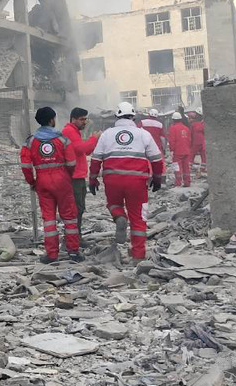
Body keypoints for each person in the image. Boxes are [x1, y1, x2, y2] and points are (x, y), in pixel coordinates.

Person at [88, 102, 164, 261]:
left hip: (112, 180)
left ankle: (119, 216)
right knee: (138, 218)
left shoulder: (107, 134)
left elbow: (96, 159)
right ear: (133, 117)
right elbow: (157, 159)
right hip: (137, 182)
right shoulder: (143, 134)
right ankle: (138, 256)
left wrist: (93, 179)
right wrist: (157, 178)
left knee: (114, 204)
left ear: (116, 117)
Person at [21, 107, 83, 264]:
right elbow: (71, 162)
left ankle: (51, 254)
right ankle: (73, 252)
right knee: (69, 217)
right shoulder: (62, 139)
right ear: (51, 120)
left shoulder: (30, 141)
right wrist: (67, 176)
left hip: (42, 182)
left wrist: (32, 182)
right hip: (62, 180)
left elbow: (26, 166)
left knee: (48, 219)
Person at [60, 107, 99, 235]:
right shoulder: (69, 131)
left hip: (78, 176)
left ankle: (75, 236)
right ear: (73, 119)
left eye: (85, 119)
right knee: (75, 209)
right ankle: (73, 238)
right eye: (82, 119)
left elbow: (85, 151)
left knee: (79, 208)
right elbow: (81, 148)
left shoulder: (75, 132)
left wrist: (92, 142)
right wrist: (94, 138)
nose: (84, 122)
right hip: (73, 177)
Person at [168, 112, 193, 187]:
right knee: (186, 167)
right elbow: (190, 140)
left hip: (177, 151)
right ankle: (187, 182)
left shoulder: (173, 128)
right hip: (186, 151)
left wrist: (171, 150)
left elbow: (172, 140)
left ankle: (178, 183)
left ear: (173, 119)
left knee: (177, 167)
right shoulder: (186, 128)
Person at [189, 111, 207, 177]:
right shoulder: (202, 124)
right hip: (202, 142)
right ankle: (203, 168)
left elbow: (191, 135)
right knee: (203, 156)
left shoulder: (193, 125)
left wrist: (190, 144)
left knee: (192, 155)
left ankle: (189, 167)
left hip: (196, 142)